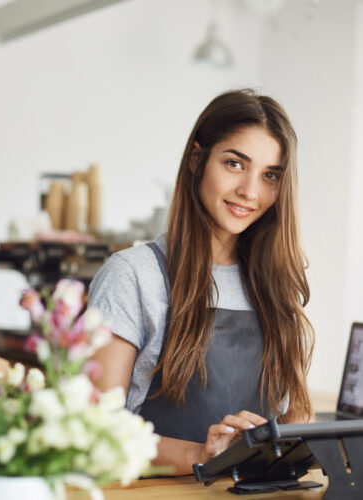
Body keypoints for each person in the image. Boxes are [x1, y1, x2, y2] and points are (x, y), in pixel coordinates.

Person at [88, 89, 314, 475]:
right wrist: (207, 455)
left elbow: (293, 414)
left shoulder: (276, 284)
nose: (250, 191)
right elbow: (96, 430)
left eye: (270, 175)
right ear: (197, 159)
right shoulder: (133, 275)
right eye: (234, 164)